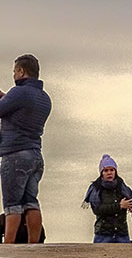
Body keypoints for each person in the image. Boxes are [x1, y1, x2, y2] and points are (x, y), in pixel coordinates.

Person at [0, 54, 52, 243]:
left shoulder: (18, 93)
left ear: (21, 71)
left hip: (15, 155)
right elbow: (18, 108)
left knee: (12, 205)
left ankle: (8, 248)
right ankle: (33, 247)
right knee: (31, 202)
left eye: (15, 70)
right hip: (35, 155)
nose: (13, 74)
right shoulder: (44, 98)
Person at [83, 154, 132, 243]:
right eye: (106, 170)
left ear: (115, 171)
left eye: (112, 170)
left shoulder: (124, 188)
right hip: (103, 235)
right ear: (101, 173)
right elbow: (97, 209)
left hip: (122, 235)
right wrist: (119, 206)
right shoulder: (95, 189)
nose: (109, 173)